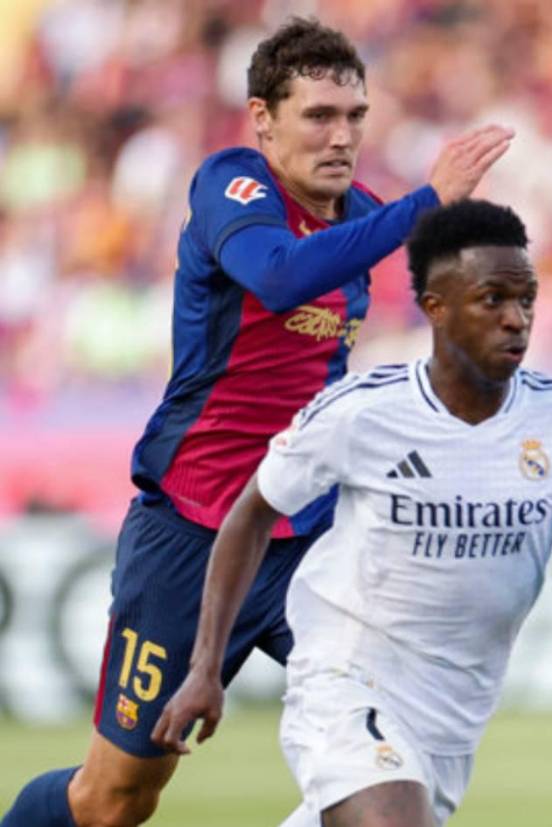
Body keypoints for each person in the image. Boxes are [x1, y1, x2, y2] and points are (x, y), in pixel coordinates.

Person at [1, 18, 512, 827]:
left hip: (305, 539)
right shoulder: (231, 185)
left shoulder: (363, 221)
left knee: (393, 749)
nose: (341, 136)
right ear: (264, 120)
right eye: (319, 116)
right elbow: (277, 277)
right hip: (192, 534)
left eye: (355, 116)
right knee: (112, 801)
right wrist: (425, 203)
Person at [150, 198, 552, 826]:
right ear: (436, 307)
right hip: (347, 679)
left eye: (527, 300)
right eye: (492, 300)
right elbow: (252, 514)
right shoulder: (363, 411)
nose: (517, 320)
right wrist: (205, 669)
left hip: (453, 719)